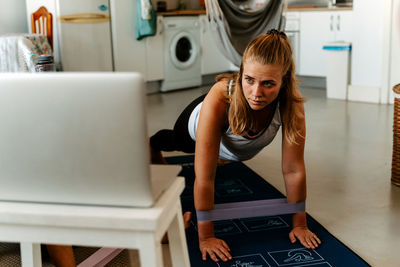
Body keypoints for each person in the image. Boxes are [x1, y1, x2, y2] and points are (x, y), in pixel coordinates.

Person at [150, 29, 321, 263]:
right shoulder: (221, 95)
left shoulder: (292, 104)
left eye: (268, 84)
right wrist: (206, 237)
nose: (256, 93)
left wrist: (300, 224)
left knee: (221, 156)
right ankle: (152, 143)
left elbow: (293, 169)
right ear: (241, 73)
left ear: (284, 82)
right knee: (177, 144)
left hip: (231, 146)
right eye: (249, 79)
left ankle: (223, 154)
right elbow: (205, 176)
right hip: (195, 124)